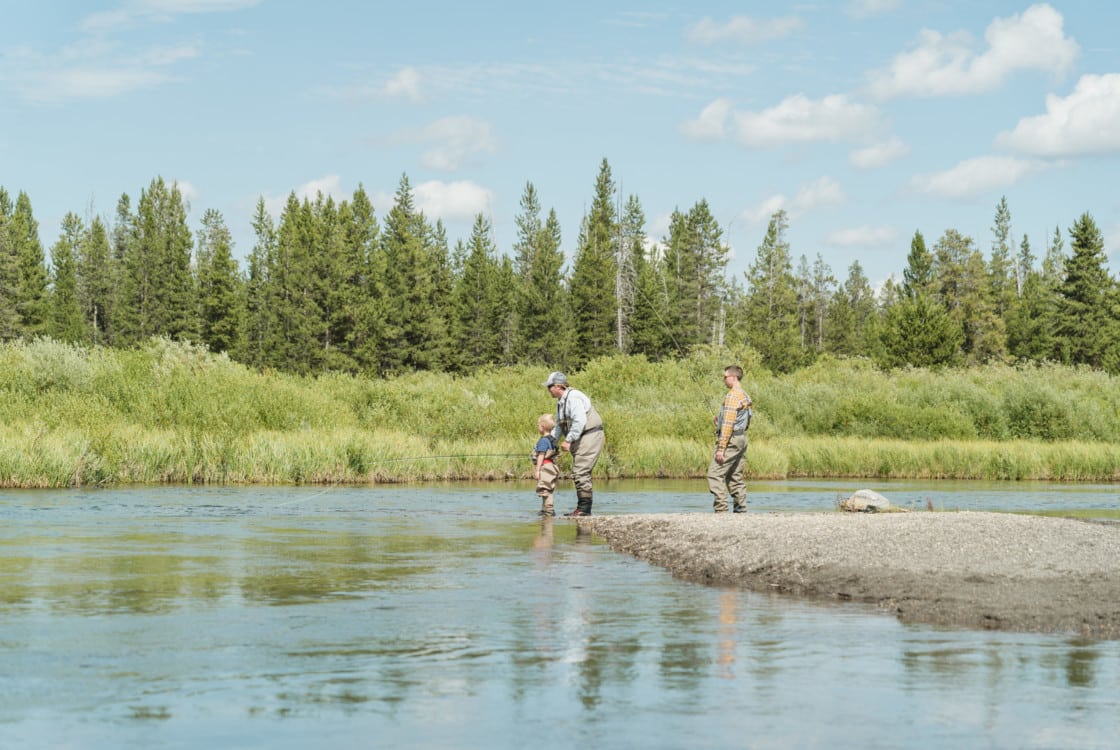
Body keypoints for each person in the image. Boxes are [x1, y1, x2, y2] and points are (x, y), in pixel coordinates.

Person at [543, 371, 605, 517]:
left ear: (558, 386)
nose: (548, 390)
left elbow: (580, 421)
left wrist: (568, 440)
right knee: (580, 472)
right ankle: (583, 509)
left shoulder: (574, 397)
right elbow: (559, 425)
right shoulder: (561, 402)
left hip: (590, 435)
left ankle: (584, 510)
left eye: (549, 387)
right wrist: (550, 442)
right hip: (582, 437)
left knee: (580, 471)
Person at [707, 365, 752, 513]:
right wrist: (719, 420)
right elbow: (743, 420)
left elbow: (728, 425)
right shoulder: (745, 395)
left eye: (725, 377)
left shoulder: (732, 396)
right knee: (735, 476)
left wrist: (721, 449)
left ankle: (721, 510)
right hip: (741, 438)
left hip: (731, 439)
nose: (723, 380)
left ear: (733, 377)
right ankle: (740, 510)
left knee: (714, 474)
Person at [532, 413, 560, 516]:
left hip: (545, 467)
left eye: (538, 425)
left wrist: (537, 470)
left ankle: (548, 510)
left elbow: (541, 456)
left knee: (545, 489)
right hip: (552, 467)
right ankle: (545, 510)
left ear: (542, 427)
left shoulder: (543, 441)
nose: (537, 427)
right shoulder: (552, 439)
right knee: (547, 488)